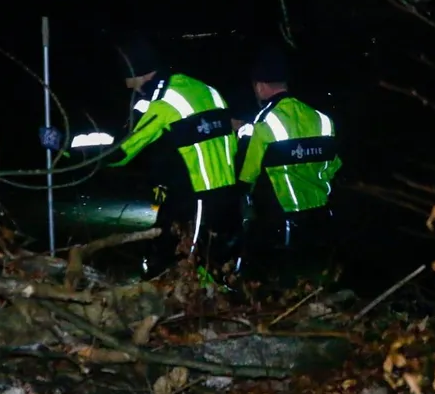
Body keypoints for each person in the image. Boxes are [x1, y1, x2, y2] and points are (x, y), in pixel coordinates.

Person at [104, 36, 240, 276]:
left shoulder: (162, 102)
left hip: (195, 200)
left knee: (182, 267)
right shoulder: (205, 90)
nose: (131, 90)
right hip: (227, 194)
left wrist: (65, 147)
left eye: (130, 83)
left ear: (138, 73)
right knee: (218, 265)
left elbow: (120, 152)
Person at [234, 44, 343, 279]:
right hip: (322, 214)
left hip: (284, 220)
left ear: (260, 86)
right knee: (317, 276)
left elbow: (248, 176)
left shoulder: (264, 122)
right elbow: (334, 166)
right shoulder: (321, 119)